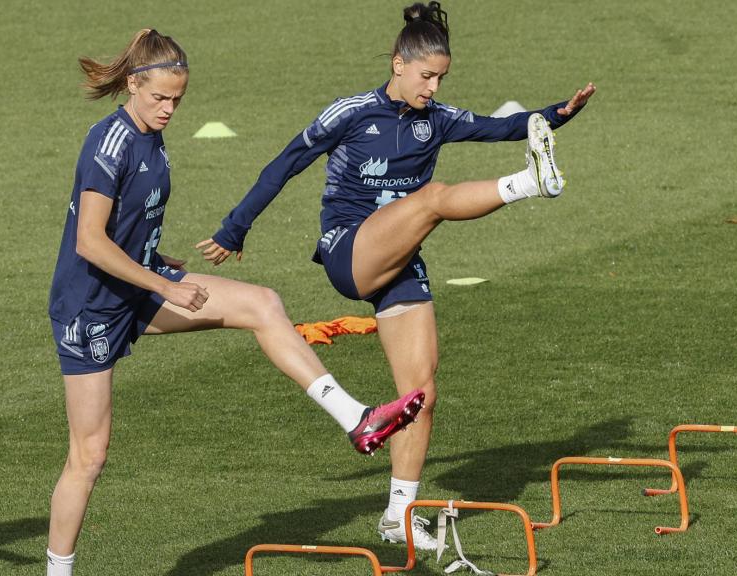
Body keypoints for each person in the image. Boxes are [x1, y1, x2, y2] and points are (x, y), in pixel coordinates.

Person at [197, 2, 595, 550]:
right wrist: (235, 228)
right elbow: (286, 163)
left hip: (400, 262)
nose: (433, 87)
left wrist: (560, 112)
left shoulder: (440, 120)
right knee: (431, 199)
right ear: (398, 64)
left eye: (441, 77)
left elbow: (504, 125)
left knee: (420, 395)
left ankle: (398, 518)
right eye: (426, 75)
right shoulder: (352, 112)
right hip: (349, 251)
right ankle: (531, 183)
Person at [45, 29, 425, 576]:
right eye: (159, 98)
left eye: (177, 99)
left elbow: (125, 226)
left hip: (139, 286)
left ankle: (357, 418)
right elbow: (89, 241)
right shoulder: (110, 143)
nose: (169, 109)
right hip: (89, 309)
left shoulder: (150, 134)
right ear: (133, 84)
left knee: (262, 304)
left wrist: (159, 259)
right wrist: (165, 286)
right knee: (89, 455)